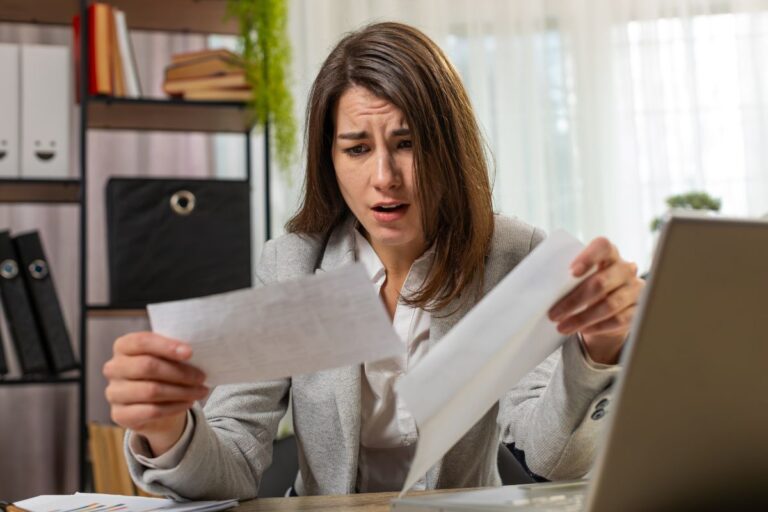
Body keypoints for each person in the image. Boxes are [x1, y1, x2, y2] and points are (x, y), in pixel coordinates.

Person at [103, 22, 644, 500]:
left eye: (407, 143)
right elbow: (234, 461)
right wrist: (170, 426)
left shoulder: (511, 253)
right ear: (329, 158)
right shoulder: (292, 261)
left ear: (449, 149)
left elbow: (555, 457)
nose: (384, 177)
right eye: (357, 148)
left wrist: (597, 348)